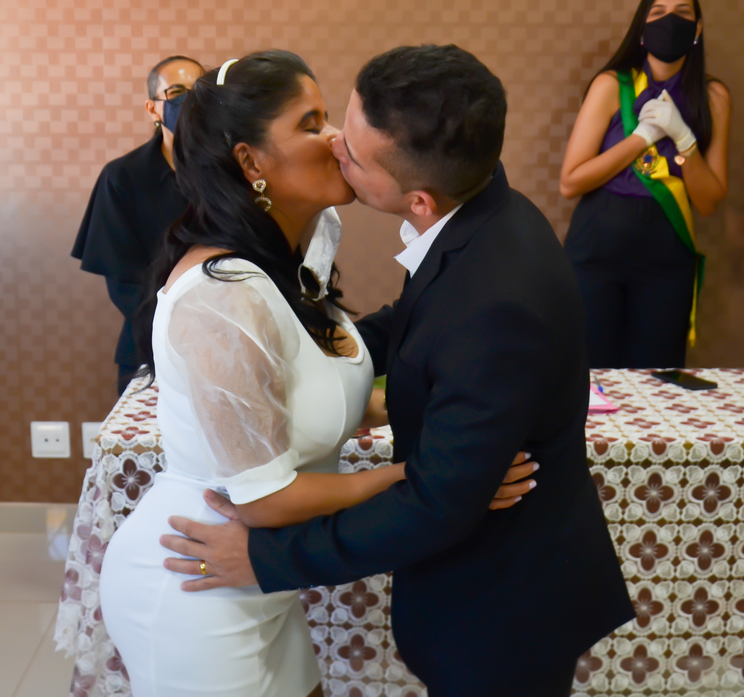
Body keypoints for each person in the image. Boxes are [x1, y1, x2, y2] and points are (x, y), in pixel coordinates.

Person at [160, 45, 634, 697]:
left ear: (417, 198)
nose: (336, 145)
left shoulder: (497, 295)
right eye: (324, 124)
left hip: (504, 607)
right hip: (194, 568)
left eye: (353, 151)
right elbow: (416, 328)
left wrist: (265, 559)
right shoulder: (481, 210)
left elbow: (438, 501)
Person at [98, 50, 537, 697]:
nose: (337, 139)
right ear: (251, 162)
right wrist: (434, 477)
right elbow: (264, 497)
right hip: (197, 576)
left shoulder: (297, 248)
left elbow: (320, 393)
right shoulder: (223, 298)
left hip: (260, 577)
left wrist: (452, 425)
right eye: (311, 123)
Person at [559, 0, 731, 368]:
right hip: (596, 249)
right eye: (658, 13)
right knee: (589, 373)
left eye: (682, 13)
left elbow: (709, 202)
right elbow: (570, 182)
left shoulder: (714, 97)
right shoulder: (611, 85)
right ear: (641, 28)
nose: (670, 21)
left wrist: (684, 139)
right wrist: (642, 138)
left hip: (666, 256)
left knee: (657, 375)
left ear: (698, 29)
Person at [71, 55, 205, 394]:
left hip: (228, 341)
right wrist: (181, 329)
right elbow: (123, 284)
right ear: (153, 109)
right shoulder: (122, 177)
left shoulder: (233, 172)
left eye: (199, 91)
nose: (190, 101)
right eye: (177, 92)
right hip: (150, 348)